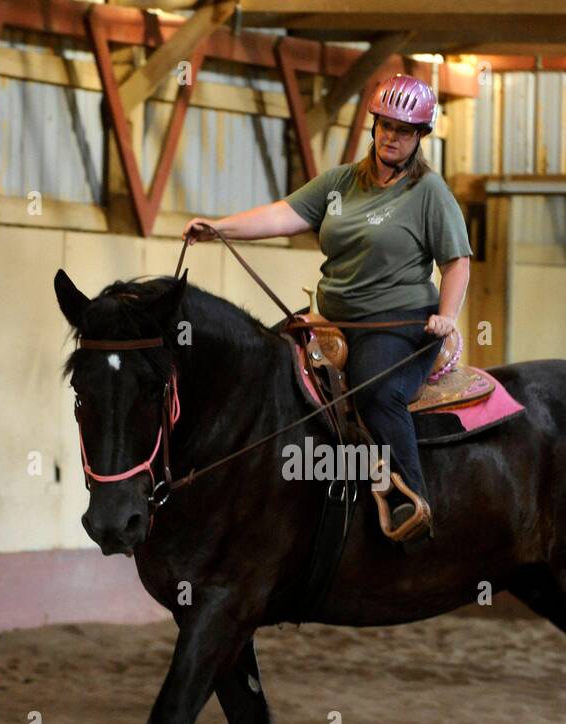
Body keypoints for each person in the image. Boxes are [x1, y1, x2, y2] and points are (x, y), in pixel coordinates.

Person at [180, 73, 473, 543]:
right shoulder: (341, 181)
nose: (391, 137)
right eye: (384, 126)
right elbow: (284, 214)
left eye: (403, 130)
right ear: (373, 126)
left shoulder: (428, 194)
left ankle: (410, 500)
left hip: (396, 327)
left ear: (420, 137)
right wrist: (219, 228)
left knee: (377, 392)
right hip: (331, 322)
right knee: (268, 369)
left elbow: (456, 262)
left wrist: (447, 314)